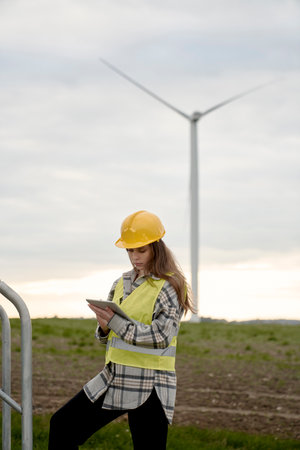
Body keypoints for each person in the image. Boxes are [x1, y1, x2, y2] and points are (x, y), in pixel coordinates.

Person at [48, 210, 195, 450]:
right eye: (130, 250)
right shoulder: (120, 283)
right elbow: (108, 337)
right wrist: (104, 328)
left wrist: (116, 324)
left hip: (150, 384)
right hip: (115, 375)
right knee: (62, 426)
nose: (134, 257)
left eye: (141, 250)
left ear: (157, 247)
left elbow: (162, 337)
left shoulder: (169, 286)